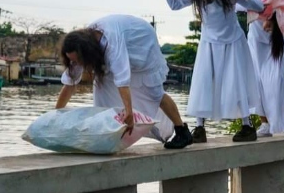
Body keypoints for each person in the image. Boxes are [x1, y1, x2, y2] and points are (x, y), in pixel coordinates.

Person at [56, 15, 193, 150]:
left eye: (78, 60)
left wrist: (129, 112)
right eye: (73, 61)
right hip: (124, 44)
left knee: (155, 93)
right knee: (102, 88)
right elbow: (69, 83)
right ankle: (106, 134)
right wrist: (56, 115)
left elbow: (122, 79)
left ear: (86, 53)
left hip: (142, 44)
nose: (77, 64)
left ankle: (181, 130)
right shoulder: (83, 46)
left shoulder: (112, 42)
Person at [164, 0, 264, 143]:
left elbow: (259, 6)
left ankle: (247, 126)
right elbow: (174, 5)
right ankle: (200, 127)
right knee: (203, 83)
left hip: (233, 43)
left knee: (237, 82)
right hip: (208, 44)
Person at [247, 14, 284, 137]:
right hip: (256, 33)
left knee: (279, 79)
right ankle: (265, 123)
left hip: (276, 32)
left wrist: (270, 18)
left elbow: (283, 3)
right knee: (257, 80)